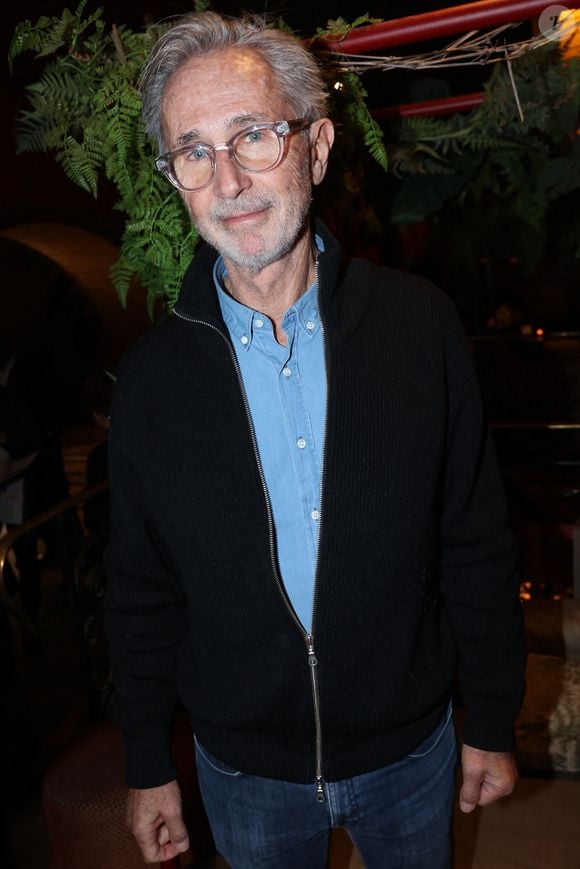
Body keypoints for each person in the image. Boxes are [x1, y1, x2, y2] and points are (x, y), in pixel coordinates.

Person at [105, 12, 526, 869]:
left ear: (317, 146)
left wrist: (490, 716)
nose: (228, 179)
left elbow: (474, 539)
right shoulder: (151, 383)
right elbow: (139, 590)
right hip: (245, 770)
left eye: (253, 135)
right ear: (176, 178)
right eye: (194, 151)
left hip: (411, 751)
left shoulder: (420, 327)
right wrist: (147, 762)